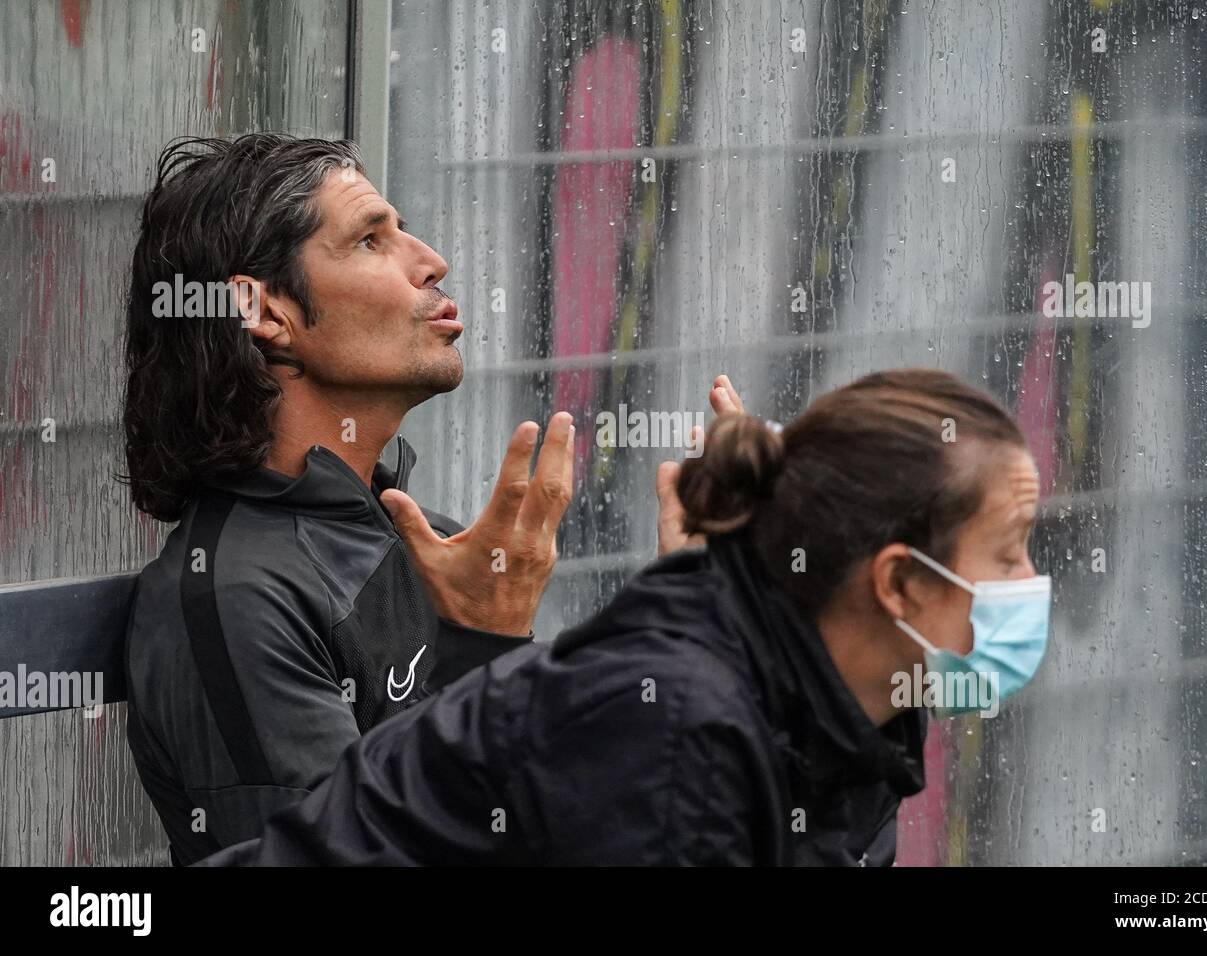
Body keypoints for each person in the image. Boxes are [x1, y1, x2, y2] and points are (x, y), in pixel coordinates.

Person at [120, 132, 735, 864]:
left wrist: (697, 616)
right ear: (267, 312)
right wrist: (484, 646)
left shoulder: (416, 539)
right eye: (371, 240)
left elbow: (577, 813)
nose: (431, 261)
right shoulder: (235, 596)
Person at [201, 367, 1052, 866]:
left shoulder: (838, 713)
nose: (1029, 581)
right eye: (1009, 549)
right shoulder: (679, 728)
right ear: (899, 583)